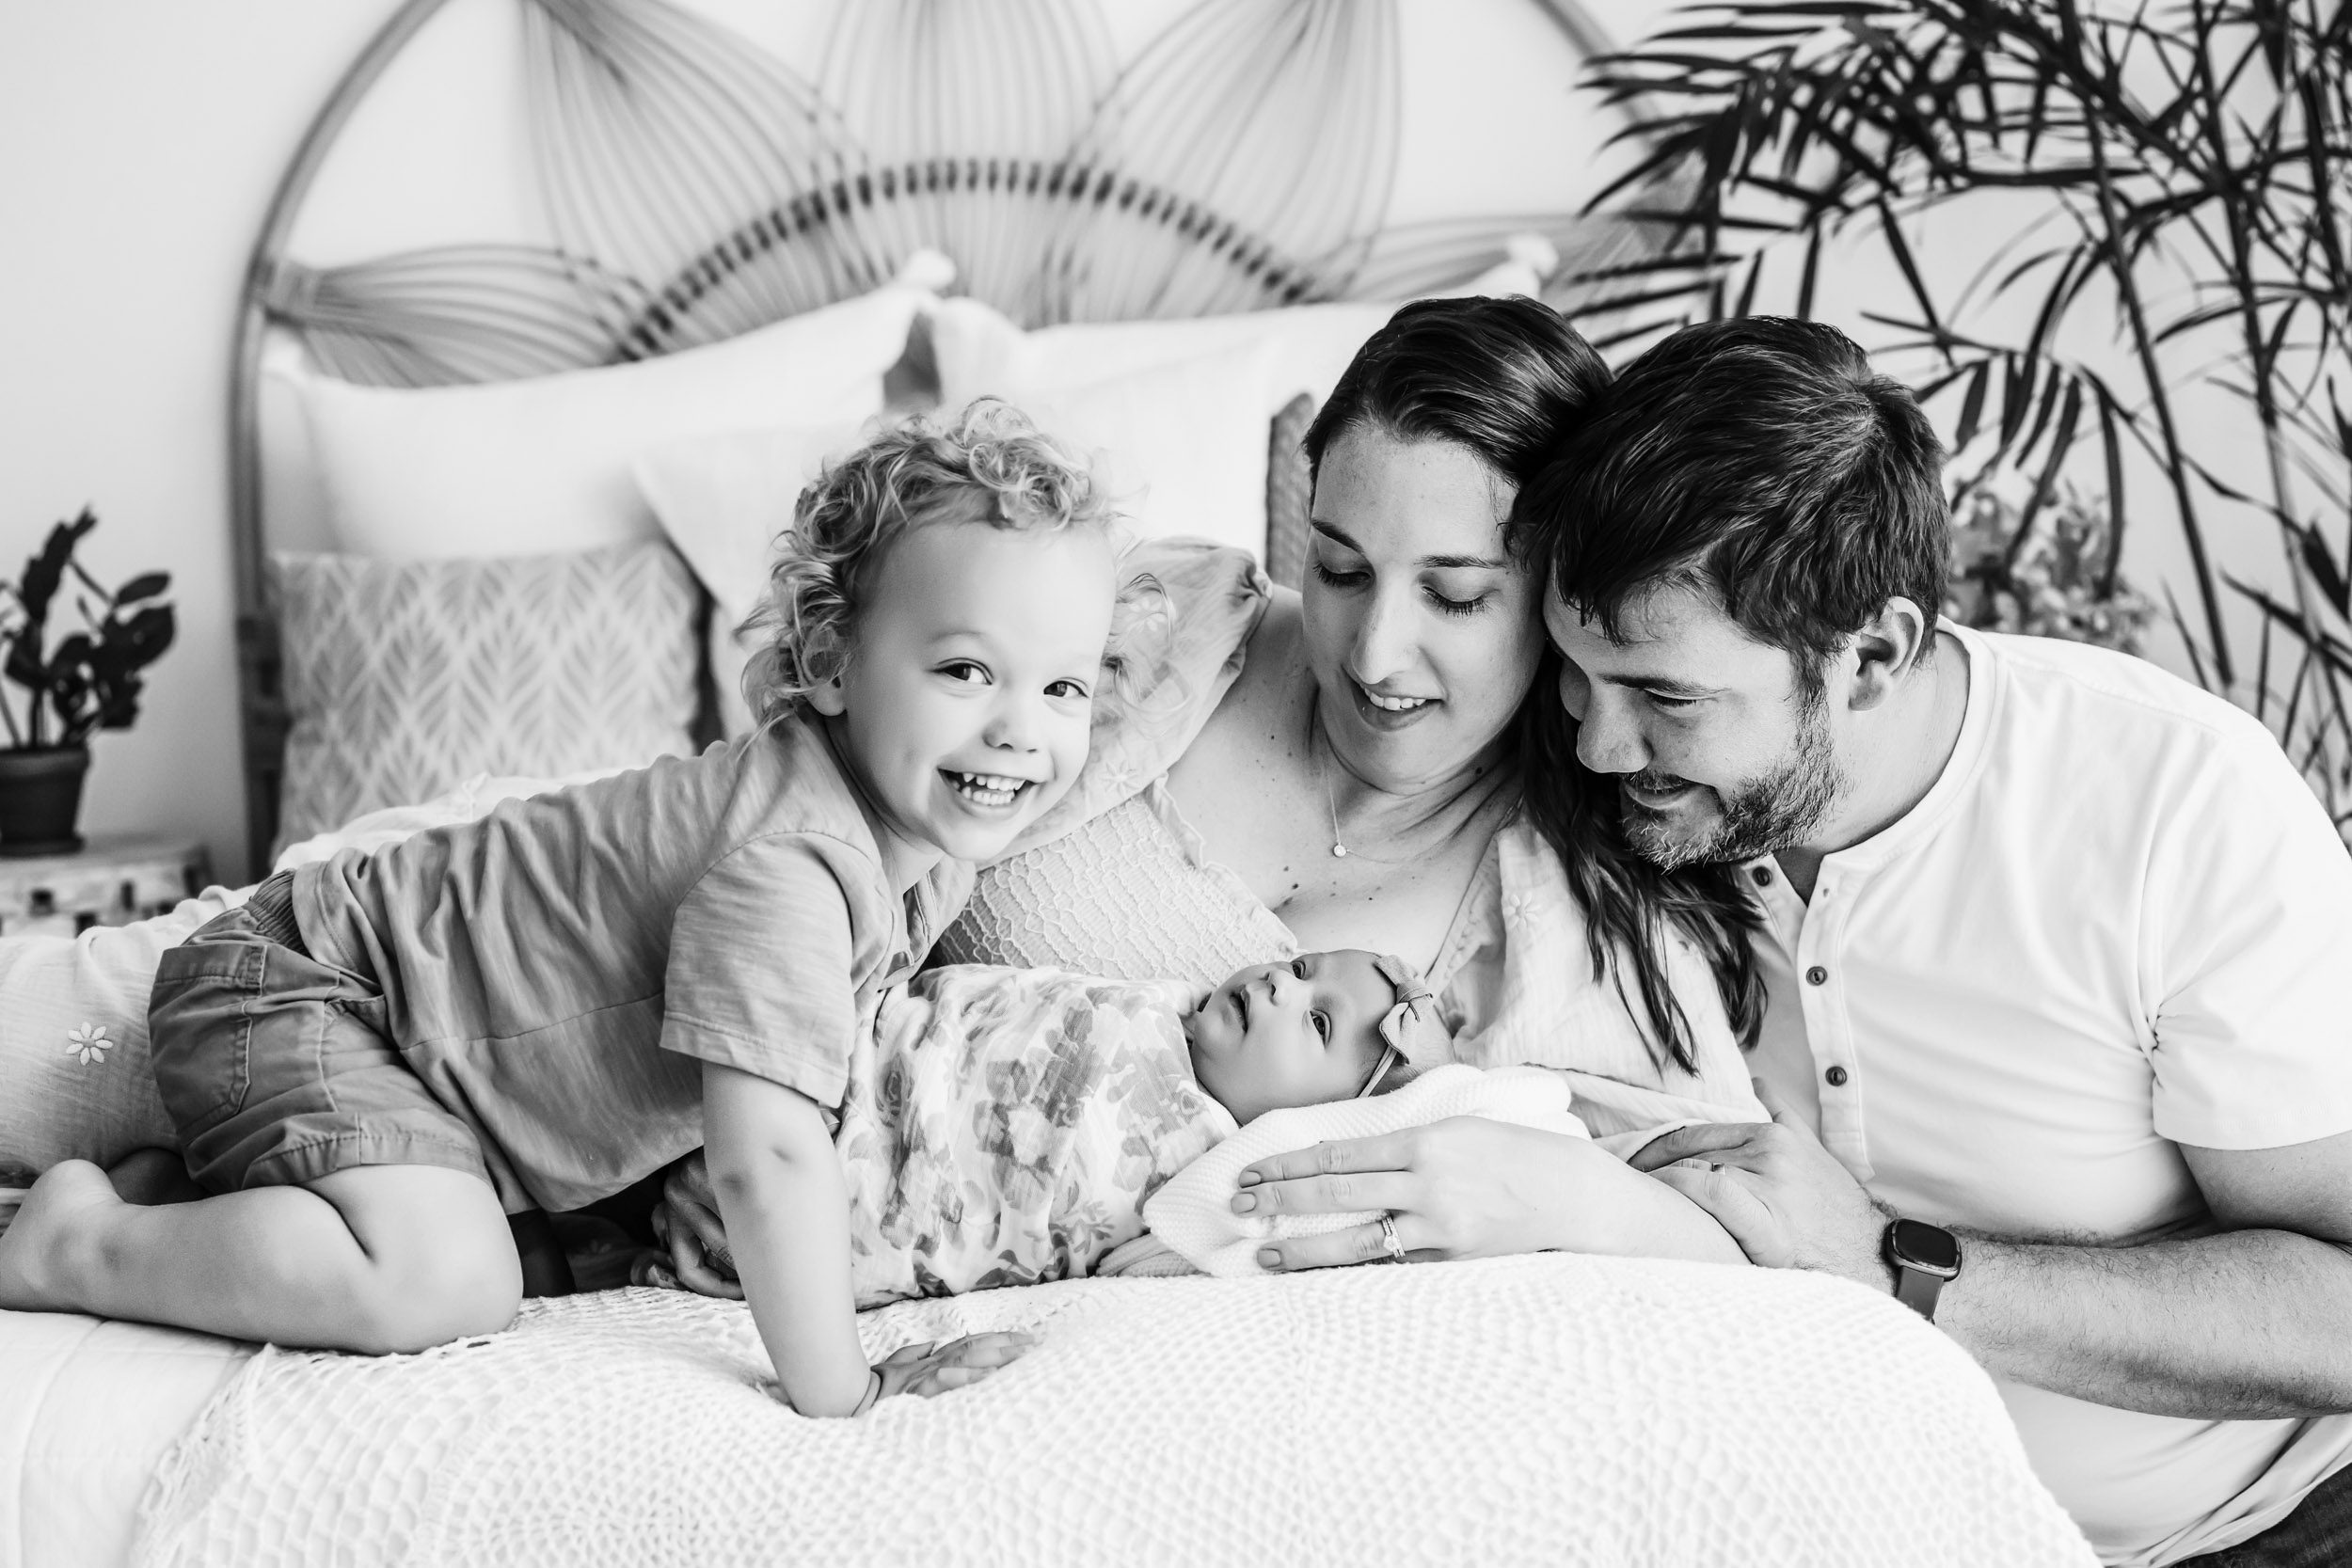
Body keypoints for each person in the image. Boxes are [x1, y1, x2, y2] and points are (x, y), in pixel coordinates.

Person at [0, 404, 1119, 1419]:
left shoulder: (927, 857)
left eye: (1062, 685)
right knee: (449, 1280)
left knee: (550, 1246)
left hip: (422, 1073)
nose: (1023, 727)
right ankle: (78, 1244)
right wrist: (841, 1382)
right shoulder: (795, 862)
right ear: (830, 661)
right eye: (967, 669)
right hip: (309, 987)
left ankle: (172, 1199)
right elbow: (765, 1157)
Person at [646, 294, 1769, 1289]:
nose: (1375, 653)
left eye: (1457, 596)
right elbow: (799, 811)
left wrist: (1562, 1193)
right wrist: (749, 1115)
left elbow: (1742, 1240)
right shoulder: (1160, 626)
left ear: (1561, 600)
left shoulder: (1590, 904)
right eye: (1337, 569)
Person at [1520, 316, 2352, 1566]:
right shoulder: (1614, 793)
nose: (1599, 745)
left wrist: (1892, 1262)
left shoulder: (2176, 801)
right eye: (1579, 676)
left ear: (1871, 656)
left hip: (2239, 1530)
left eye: (1666, 698)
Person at [642, 946, 1747, 1305]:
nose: (1274, 984)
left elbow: (1499, 1117)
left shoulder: (1218, 1151)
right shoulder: (1141, 1010)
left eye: (1313, 1019)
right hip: (837, 1060)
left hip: (853, 1187)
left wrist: (1440, 1064)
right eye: (1300, 968)